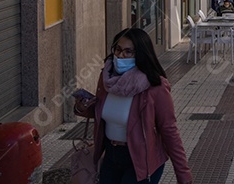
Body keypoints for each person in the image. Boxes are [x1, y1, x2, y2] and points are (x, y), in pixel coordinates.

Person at [74, 28, 193, 184]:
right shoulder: (106, 80)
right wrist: (82, 107)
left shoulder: (155, 86)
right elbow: (104, 111)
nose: (120, 55)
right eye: (118, 49)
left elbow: (169, 128)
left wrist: (182, 172)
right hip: (110, 155)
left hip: (141, 160)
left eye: (128, 52)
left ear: (140, 55)